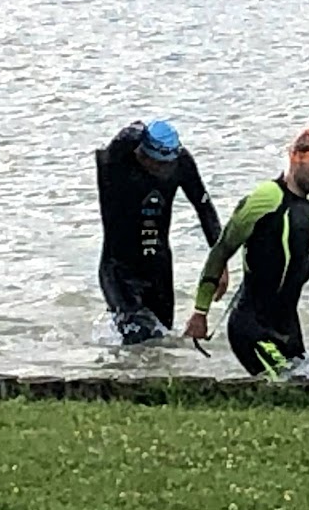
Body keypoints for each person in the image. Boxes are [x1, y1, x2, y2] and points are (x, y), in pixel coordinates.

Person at [182, 126, 309, 379]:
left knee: (307, 391)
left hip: (287, 327)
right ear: (296, 157)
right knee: (292, 388)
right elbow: (222, 249)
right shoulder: (266, 198)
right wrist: (200, 312)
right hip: (251, 327)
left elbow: (301, 272)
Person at [94, 120, 224, 344]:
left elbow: (204, 208)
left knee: (162, 339)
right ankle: (122, 375)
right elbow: (123, 138)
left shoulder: (180, 162)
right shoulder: (116, 163)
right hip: (119, 270)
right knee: (136, 334)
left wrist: (220, 261)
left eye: (168, 165)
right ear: (142, 155)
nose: (164, 171)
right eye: (158, 164)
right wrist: (141, 130)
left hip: (158, 267)